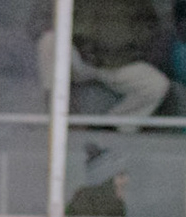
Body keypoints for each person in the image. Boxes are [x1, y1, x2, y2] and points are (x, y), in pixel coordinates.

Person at [31, 0, 173, 128]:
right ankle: (58, 116)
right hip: (80, 60)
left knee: (156, 84)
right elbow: (36, 23)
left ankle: (109, 128)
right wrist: (78, 39)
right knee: (49, 40)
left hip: (119, 64)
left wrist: (128, 51)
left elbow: (151, 32)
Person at [67, 143, 130, 215]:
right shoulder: (83, 202)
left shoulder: (116, 206)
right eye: (121, 175)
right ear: (106, 180)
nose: (126, 179)